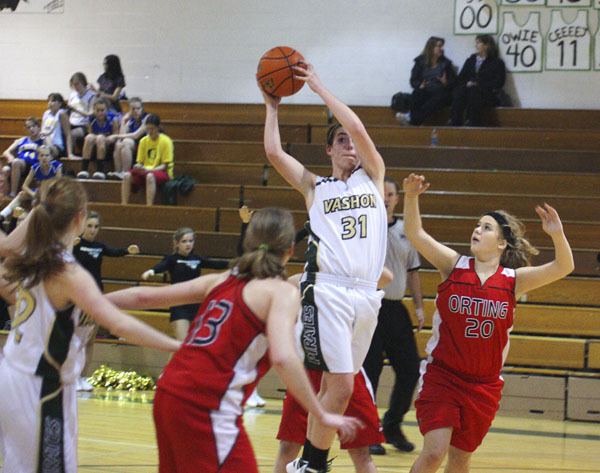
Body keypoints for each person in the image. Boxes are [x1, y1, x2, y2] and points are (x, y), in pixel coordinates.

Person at [107, 207, 363, 473]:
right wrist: (320, 413)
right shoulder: (280, 292)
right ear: (290, 249)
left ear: (249, 242)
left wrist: (87, 301)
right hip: (206, 404)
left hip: (169, 392)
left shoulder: (221, 279)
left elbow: (143, 298)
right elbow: (283, 357)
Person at [0, 177, 180, 473]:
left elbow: (110, 304)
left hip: (20, 377)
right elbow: (117, 324)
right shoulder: (66, 271)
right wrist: (178, 347)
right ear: (79, 218)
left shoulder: (33, 255)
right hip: (41, 388)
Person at [260, 62, 387, 473]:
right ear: (329, 151)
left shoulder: (373, 177)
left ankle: (308, 464)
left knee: (338, 389)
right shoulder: (316, 187)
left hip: (367, 294)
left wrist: (321, 89)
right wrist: (272, 107)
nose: (350, 144)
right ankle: (313, 464)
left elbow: (362, 130)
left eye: (352, 140)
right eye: (340, 140)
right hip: (327, 291)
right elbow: (274, 153)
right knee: (343, 384)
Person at [402, 173, 574, 473]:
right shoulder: (453, 265)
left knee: (460, 460)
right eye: (477, 225)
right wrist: (411, 197)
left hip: (483, 386)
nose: (477, 230)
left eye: (486, 227)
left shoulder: (513, 281)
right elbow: (416, 234)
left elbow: (564, 266)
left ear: (502, 243)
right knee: (433, 453)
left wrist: (557, 234)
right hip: (442, 377)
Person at [363, 177, 424, 456]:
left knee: (410, 369)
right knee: (370, 371)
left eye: (391, 193)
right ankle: (368, 431)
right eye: (382, 193)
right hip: (370, 307)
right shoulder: (366, 226)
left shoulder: (405, 230)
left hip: (396, 308)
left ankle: (392, 425)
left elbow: (413, 272)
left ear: (398, 199)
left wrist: (419, 306)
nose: (386, 197)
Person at [73, 210, 140, 391]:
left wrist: (128, 250)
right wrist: (70, 244)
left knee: (89, 340)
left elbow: (114, 251)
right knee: (76, 339)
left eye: (96, 227)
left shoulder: (100, 247)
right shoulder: (75, 244)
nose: (92, 230)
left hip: (96, 295)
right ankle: (71, 376)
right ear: (82, 226)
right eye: (89, 226)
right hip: (78, 295)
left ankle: (83, 376)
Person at [141, 227, 228, 341]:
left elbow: (217, 264)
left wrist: (238, 264)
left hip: (196, 305)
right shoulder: (172, 259)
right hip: (179, 305)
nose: (188, 244)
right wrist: (152, 271)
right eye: (184, 241)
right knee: (182, 343)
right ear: (177, 243)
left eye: (190, 241)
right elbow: (162, 265)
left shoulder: (197, 259)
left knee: (191, 345)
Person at [397, 36, 456, 126]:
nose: (441, 49)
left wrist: (445, 82)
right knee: (417, 93)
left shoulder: (446, 63)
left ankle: (412, 119)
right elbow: (413, 79)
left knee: (437, 99)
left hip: (441, 92)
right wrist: (420, 85)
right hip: (426, 89)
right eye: (439, 46)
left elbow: (454, 82)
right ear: (431, 47)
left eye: (441, 46)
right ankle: (414, 119)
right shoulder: (420, 61)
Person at [450, 35, 506, 127]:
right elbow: (460, 78)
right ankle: (455, 122)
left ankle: (473, 123)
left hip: (486, 93)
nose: (476, 45)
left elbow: (499, 82)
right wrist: (467, 83)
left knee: (474, 92)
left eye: (478, 43)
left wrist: (479, 84)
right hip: (467, 90)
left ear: (486, 45)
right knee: (459, 92)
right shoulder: (470, 60)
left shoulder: (497, 62)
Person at [0, 145, 62, 223]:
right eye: (41, 155)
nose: (44, 158)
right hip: (40, 192)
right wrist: (33, 194)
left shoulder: (57, 166)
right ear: (38, 157)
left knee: (45, 184)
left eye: (47, 155)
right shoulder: (35, 167)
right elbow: (24, 186)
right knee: (21, 195)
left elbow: (59, 184)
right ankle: (3, 215)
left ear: (51, 157)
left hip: (53, 192)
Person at [121, 114, 174, 206]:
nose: (150, 132)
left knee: (150, 176)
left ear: (158, 128)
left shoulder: (166, 141)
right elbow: (140, 162)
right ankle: (124, 204)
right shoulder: (143, 141)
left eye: (152, 129)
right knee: (126, 175)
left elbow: (165, 166)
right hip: (145, 170)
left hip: (161, 171)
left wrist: (149, 170)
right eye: (148, 129)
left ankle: (149, 206)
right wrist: (138, 166)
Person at [77, 97, 119, 180]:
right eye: (97, 110)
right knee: (89, 137)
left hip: (108, 144)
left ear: (107, 110)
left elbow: (115, 135)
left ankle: (100, 170)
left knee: (100, 138)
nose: (100, 113)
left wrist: (106, 139)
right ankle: (84, 169)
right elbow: (90, 134)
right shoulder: (91, 119)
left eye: (102, 110)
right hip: (94, 144)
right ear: (94, 110)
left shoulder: (113, 119)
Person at [1, 117, 44, 197]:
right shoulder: (22, 140)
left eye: (33, 126)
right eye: (28, 127)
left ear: (38, 127)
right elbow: (6, 152)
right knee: (5, 169)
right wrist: (10, 157)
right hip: (19, 163)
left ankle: (13, 193)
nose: (31, 129)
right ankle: (4, 195)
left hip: (32, 165)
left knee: (16, 162)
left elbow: (49, 151)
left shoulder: (43, 140)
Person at [108, 97, 148, 180]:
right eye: (133, 109)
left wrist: (115, 136)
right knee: (119, 144)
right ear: (130, 110)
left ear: (142, 109)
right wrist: (123, 121)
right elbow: (122, 135)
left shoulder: (146, 118)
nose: (136, 111)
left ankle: (126, 173)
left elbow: (135, 135)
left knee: (126, 142)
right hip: (132, 144)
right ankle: (118, 172)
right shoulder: (130, 120)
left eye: (138, 108)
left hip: (144, 144)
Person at [67, 72, 97, 155]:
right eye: (74, 85)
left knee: (72, 134)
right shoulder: (72, 95)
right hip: (71, 122)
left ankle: (71, 155)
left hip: (83, 125)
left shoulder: (91, 96)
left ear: (83, 82)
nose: (76, 87)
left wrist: (76, 110)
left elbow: (90, 113)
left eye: (77, 84)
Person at [41, 92, 72, 159]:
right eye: (48, 101)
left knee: (46, 152)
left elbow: (68, 134)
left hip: (57, 146)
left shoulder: (61, 113)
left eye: (53, 101)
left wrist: (70, 154)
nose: (50, 103)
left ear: (60, 104)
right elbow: (43, 132)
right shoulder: (46, 114)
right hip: (45, 144)